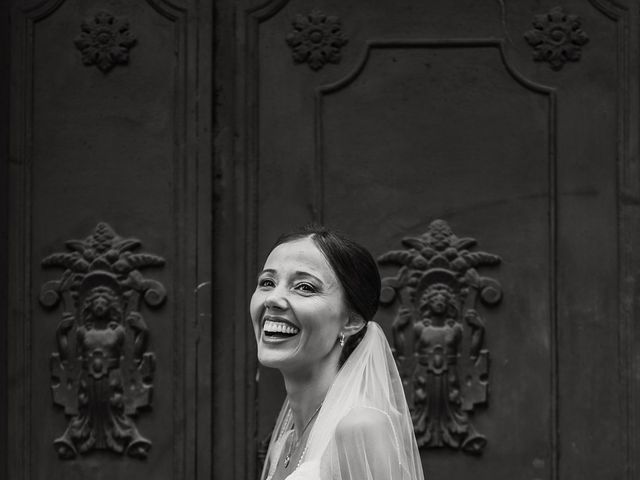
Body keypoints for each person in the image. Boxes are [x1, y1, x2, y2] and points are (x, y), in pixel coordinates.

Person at [251, 225, 425, 480]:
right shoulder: (284, 445)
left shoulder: (360, 426)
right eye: (267, 282)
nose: (272, 298)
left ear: (351, 321)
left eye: (304, 287)